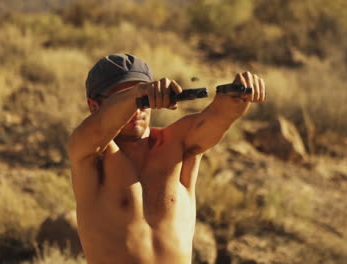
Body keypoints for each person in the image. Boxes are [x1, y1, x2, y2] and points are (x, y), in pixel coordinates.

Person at [67, 53, 266, 264]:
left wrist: (239, 95)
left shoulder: (177, 144)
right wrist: (138, 93)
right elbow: (99, 128)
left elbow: (219, 116)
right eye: (128, 98)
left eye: (145, 100)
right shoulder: (90, 155)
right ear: (94, 106)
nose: (139, 109)